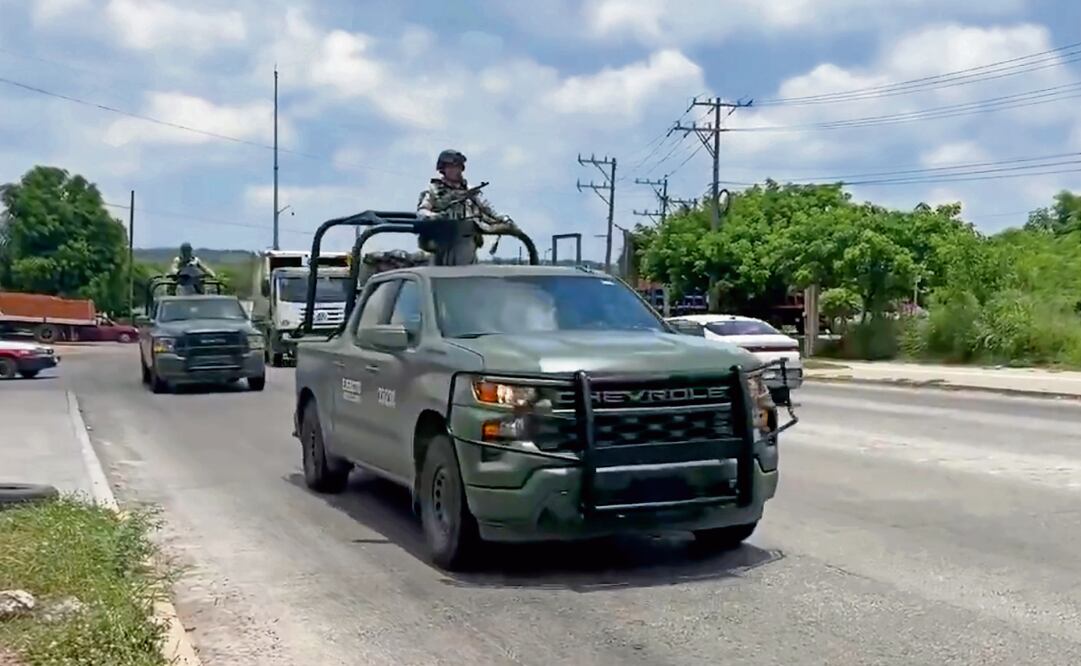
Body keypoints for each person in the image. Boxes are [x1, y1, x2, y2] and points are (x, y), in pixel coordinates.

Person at [416, 149, 516, 266]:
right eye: (450, 167)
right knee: (438, 273)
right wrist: (437, 217)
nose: (455, 170)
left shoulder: (470, 191)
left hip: (466, 240)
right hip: (441, 240)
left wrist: (502, 219)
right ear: (443, 169)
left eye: (457, 167)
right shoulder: (433, 190)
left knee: (467, 272)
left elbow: (487, 209)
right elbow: (422, 212)